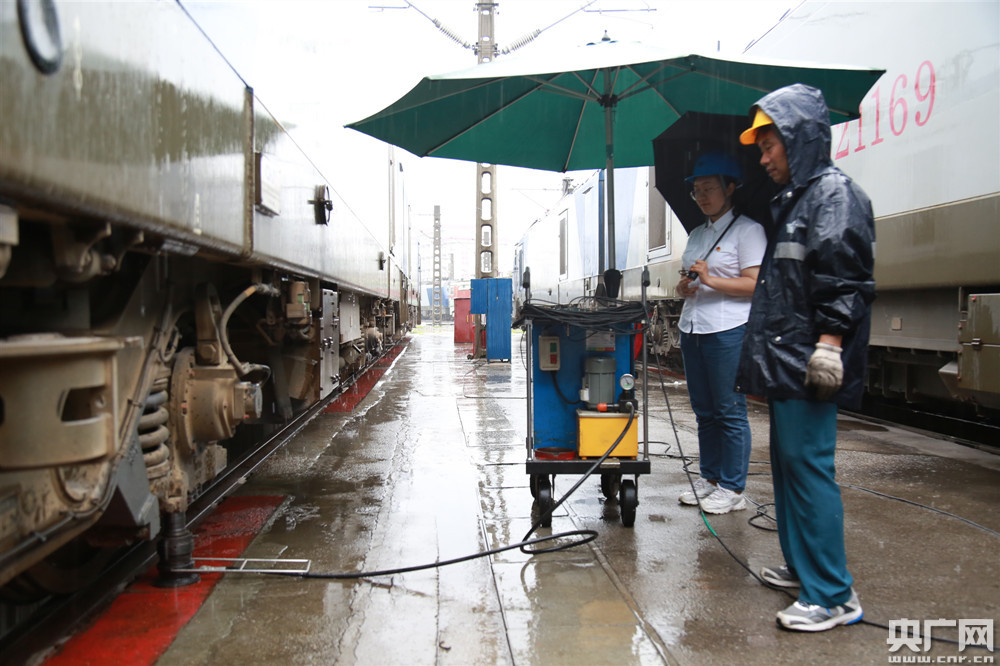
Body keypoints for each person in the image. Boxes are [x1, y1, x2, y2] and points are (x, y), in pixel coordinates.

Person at [736, 83, 876, 632]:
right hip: (787, 358)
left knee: (809, 468)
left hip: (808, 361)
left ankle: (834, 595)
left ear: (799, 139)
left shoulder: (834, 196)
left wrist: (830, 347)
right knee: (789, 465)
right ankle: (803, 569)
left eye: (769, 145)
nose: (764, 157)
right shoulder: (800, 199)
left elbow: (845, 280)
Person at [675, 151, 767, 514]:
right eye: (697, 190)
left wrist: (711, 279)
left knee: (729, 410)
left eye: (709, 188)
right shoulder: (697, 234)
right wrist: (684, 287)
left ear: (730, 188)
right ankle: (710, 478)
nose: (702, 196)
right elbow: (690, 279)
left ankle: (732, 487)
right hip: (692, 327)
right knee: (704, 410)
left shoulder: (748, 230)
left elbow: (755, 284)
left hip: (727, 329)